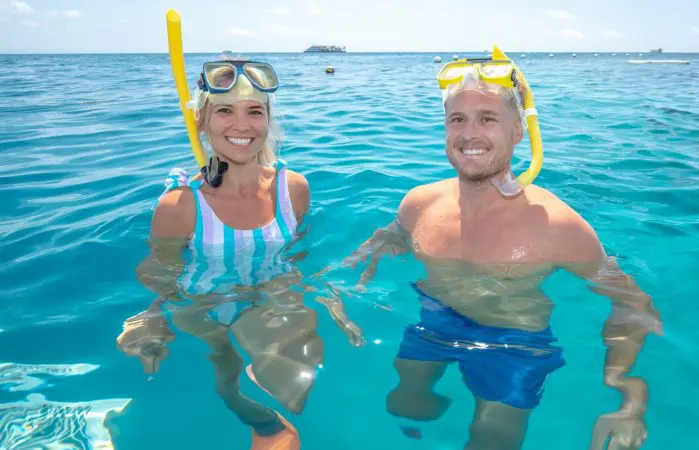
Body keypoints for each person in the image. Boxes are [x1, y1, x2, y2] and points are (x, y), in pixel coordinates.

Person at [340, 49, 663, 450]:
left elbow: (633, 303)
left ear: (517, 132)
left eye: (487, 118)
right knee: (406, 405)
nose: (469, 133)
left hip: (514, 343)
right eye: (458, 119)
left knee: (491, 441)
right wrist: (343, 288)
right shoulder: (418, 203)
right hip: (435, 318)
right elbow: (385, 239)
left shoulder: (557, 226)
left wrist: (627, 393)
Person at [116, 55, 362, 450]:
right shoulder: (179, 205)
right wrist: (151, 317)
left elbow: (299, 253)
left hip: (274, 292)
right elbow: (159, 270)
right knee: (227, 377)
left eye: (254, 112)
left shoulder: (293, 188)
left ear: (268, 120)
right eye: (225, 111)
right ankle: (258, 420)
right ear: (203, 121)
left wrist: (331, 299)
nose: (242, 125)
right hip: (203, 302)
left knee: (302, 383)